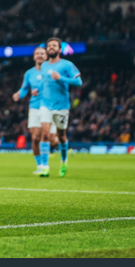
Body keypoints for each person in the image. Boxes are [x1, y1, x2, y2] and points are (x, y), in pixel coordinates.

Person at [38, 38, 82, 178]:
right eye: (49, 45)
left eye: (54, 46)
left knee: (61, 136)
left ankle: (64, 161)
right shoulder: (43, 66)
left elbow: (79, 81)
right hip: (45, 104)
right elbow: (45, 83)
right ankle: (45, 167)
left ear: (59, 49)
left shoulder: (67, 65)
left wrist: (61, 78)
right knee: (44, 134)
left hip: (61, 106)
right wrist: (37, 90)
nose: (51, 47)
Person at [13, 46, 57, 174]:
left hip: (50, 107)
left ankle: (61, 142)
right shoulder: (29, 73)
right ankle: (41, 166)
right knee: (36, 137)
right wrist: (18, 94)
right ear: (33, 57)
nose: (39, 55)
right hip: (34, 107)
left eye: (42, 53)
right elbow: (24, 88)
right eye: (37, 53)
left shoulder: (51, 70)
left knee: (51, 139)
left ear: (47, 56)